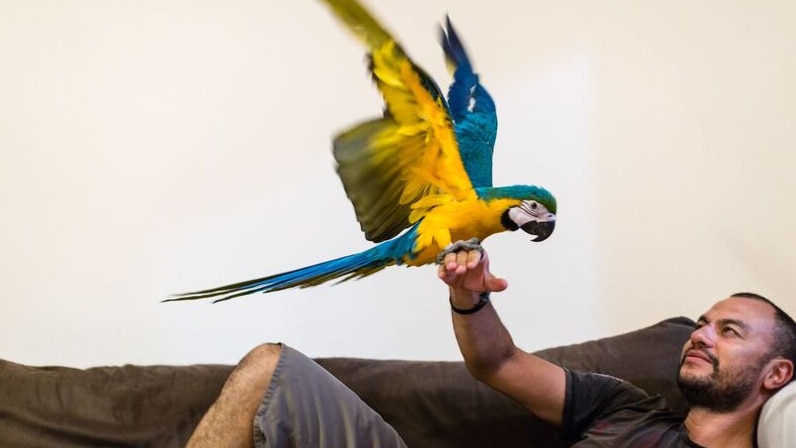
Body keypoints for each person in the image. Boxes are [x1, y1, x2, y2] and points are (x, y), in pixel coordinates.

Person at [185, 244, 795, 448]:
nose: (701, 333)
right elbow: (497, 362)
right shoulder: (624, 407)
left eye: (729, 331)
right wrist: (470, 296)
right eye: (704, 322)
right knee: (270, 370)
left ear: (776, 375)